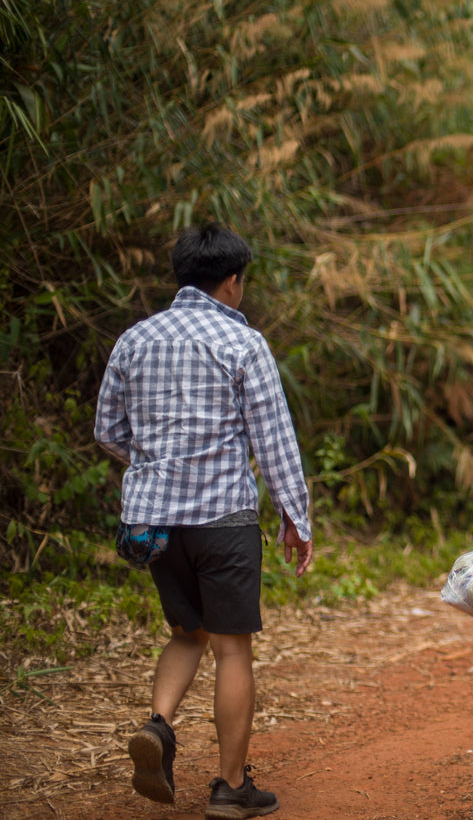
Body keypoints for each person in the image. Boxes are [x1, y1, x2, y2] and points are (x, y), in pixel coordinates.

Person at [94, 223, 314, 819]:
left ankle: (159, 726)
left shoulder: (135, 340)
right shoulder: (243, 344)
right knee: (232, 649)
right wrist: (296, 518)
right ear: (233, 281)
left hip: (152, 526)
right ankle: (230, 786)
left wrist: (154, 465)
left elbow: (107, 431)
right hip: (223, 519)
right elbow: (275, 444)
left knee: (184, 632)